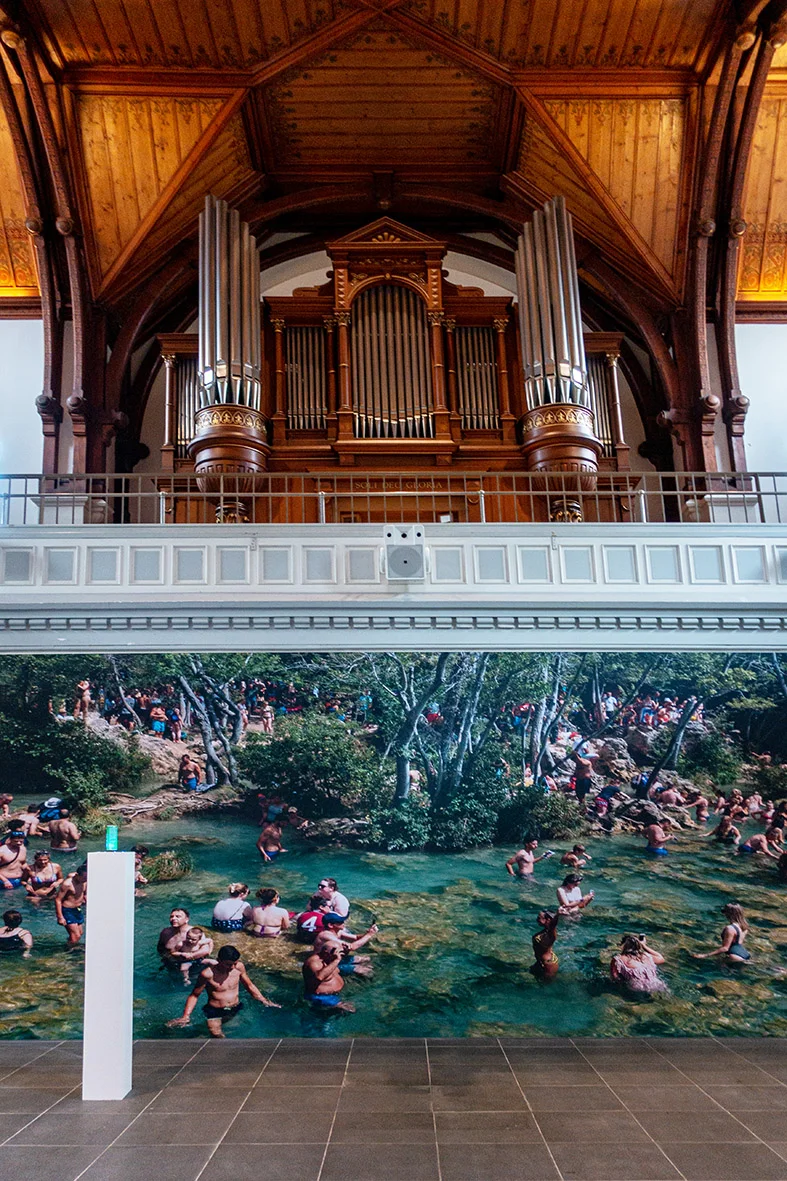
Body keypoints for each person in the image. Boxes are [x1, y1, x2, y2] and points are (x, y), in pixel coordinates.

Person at [167, 945, 280, 1037]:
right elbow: (194, 995)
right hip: (214, 1011)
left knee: (235, 1030)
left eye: (234, 963)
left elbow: (249, 985)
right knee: (217, 1035)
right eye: (228, 964)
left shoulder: (239, 967)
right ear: (218, 961)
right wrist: (186, 1016)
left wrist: (264, 1001)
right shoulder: (207, 974)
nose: (232, 967)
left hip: (235, 1007)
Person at [313, 912, 378, 978]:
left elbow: (356, 938)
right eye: (340, 922)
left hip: (336, 959)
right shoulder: (325, 935)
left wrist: (368, 932)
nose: (344, 923)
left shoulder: (338, 932)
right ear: (331, 925)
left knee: (366, 959)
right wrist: (369, 935)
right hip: (327, 964)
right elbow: (352, 947)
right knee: (365, 971)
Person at [302, 943, 356, 1013]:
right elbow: (320, 977)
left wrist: (346, 951)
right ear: (326, 953)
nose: (339, 955)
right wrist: (336, 960)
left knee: (364, 970)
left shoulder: (329, 959)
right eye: (337, 952)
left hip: (335, 993)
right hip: (322, 997)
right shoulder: (314, 963)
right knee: (350, 1010)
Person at [55, 863, 87, 948]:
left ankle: (68, 945)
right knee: (75, 936)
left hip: (77, 909)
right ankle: (68, 953)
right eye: (83, 877)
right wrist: (60, 917)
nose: (85, 880)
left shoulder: (84, 881)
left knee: (80, 933)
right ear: (77, 875)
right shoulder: (67, 884)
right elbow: (58, 899)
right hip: (67, 910)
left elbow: (84, 893)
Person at [531, 910, 560, 979]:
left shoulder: (550, 934)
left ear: (547, 920)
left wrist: (558, 915)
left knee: (544, 985)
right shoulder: (545, 931)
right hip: (541, 961)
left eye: (539, 918)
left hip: (548, 964)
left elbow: (553, 925)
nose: (537, 919)